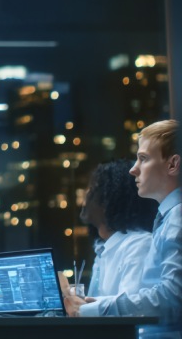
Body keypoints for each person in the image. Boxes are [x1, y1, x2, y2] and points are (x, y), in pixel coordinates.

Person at [64, 119, 181, 328]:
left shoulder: (177, 218)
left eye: (143, 159)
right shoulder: (167, 218)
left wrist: (92, 309)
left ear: (172, 165)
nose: (133, 169)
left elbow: (171, 298)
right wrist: (94, 305)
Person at [80, 159, 157, 297]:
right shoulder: (103, 248)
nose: (85, 195)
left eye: (92, 188)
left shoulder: (138, 245)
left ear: (109, 197)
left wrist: (81, 307)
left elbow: (129, 310)